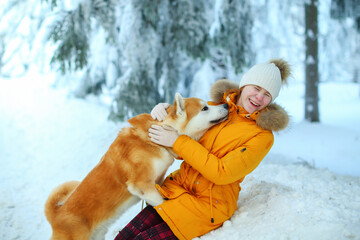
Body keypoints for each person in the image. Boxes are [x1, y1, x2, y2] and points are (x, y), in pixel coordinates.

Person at [114, 59, 291, 240]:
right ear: (244, 85)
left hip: (208, 205)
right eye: (256, 88)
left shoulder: (261, 136)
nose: (259, 97)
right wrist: (163, 111)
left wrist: (178, 141)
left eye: (267, 94)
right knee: (124, 237)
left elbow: (222, 173)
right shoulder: (216, 110)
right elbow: (178, 133)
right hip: (176, 189)